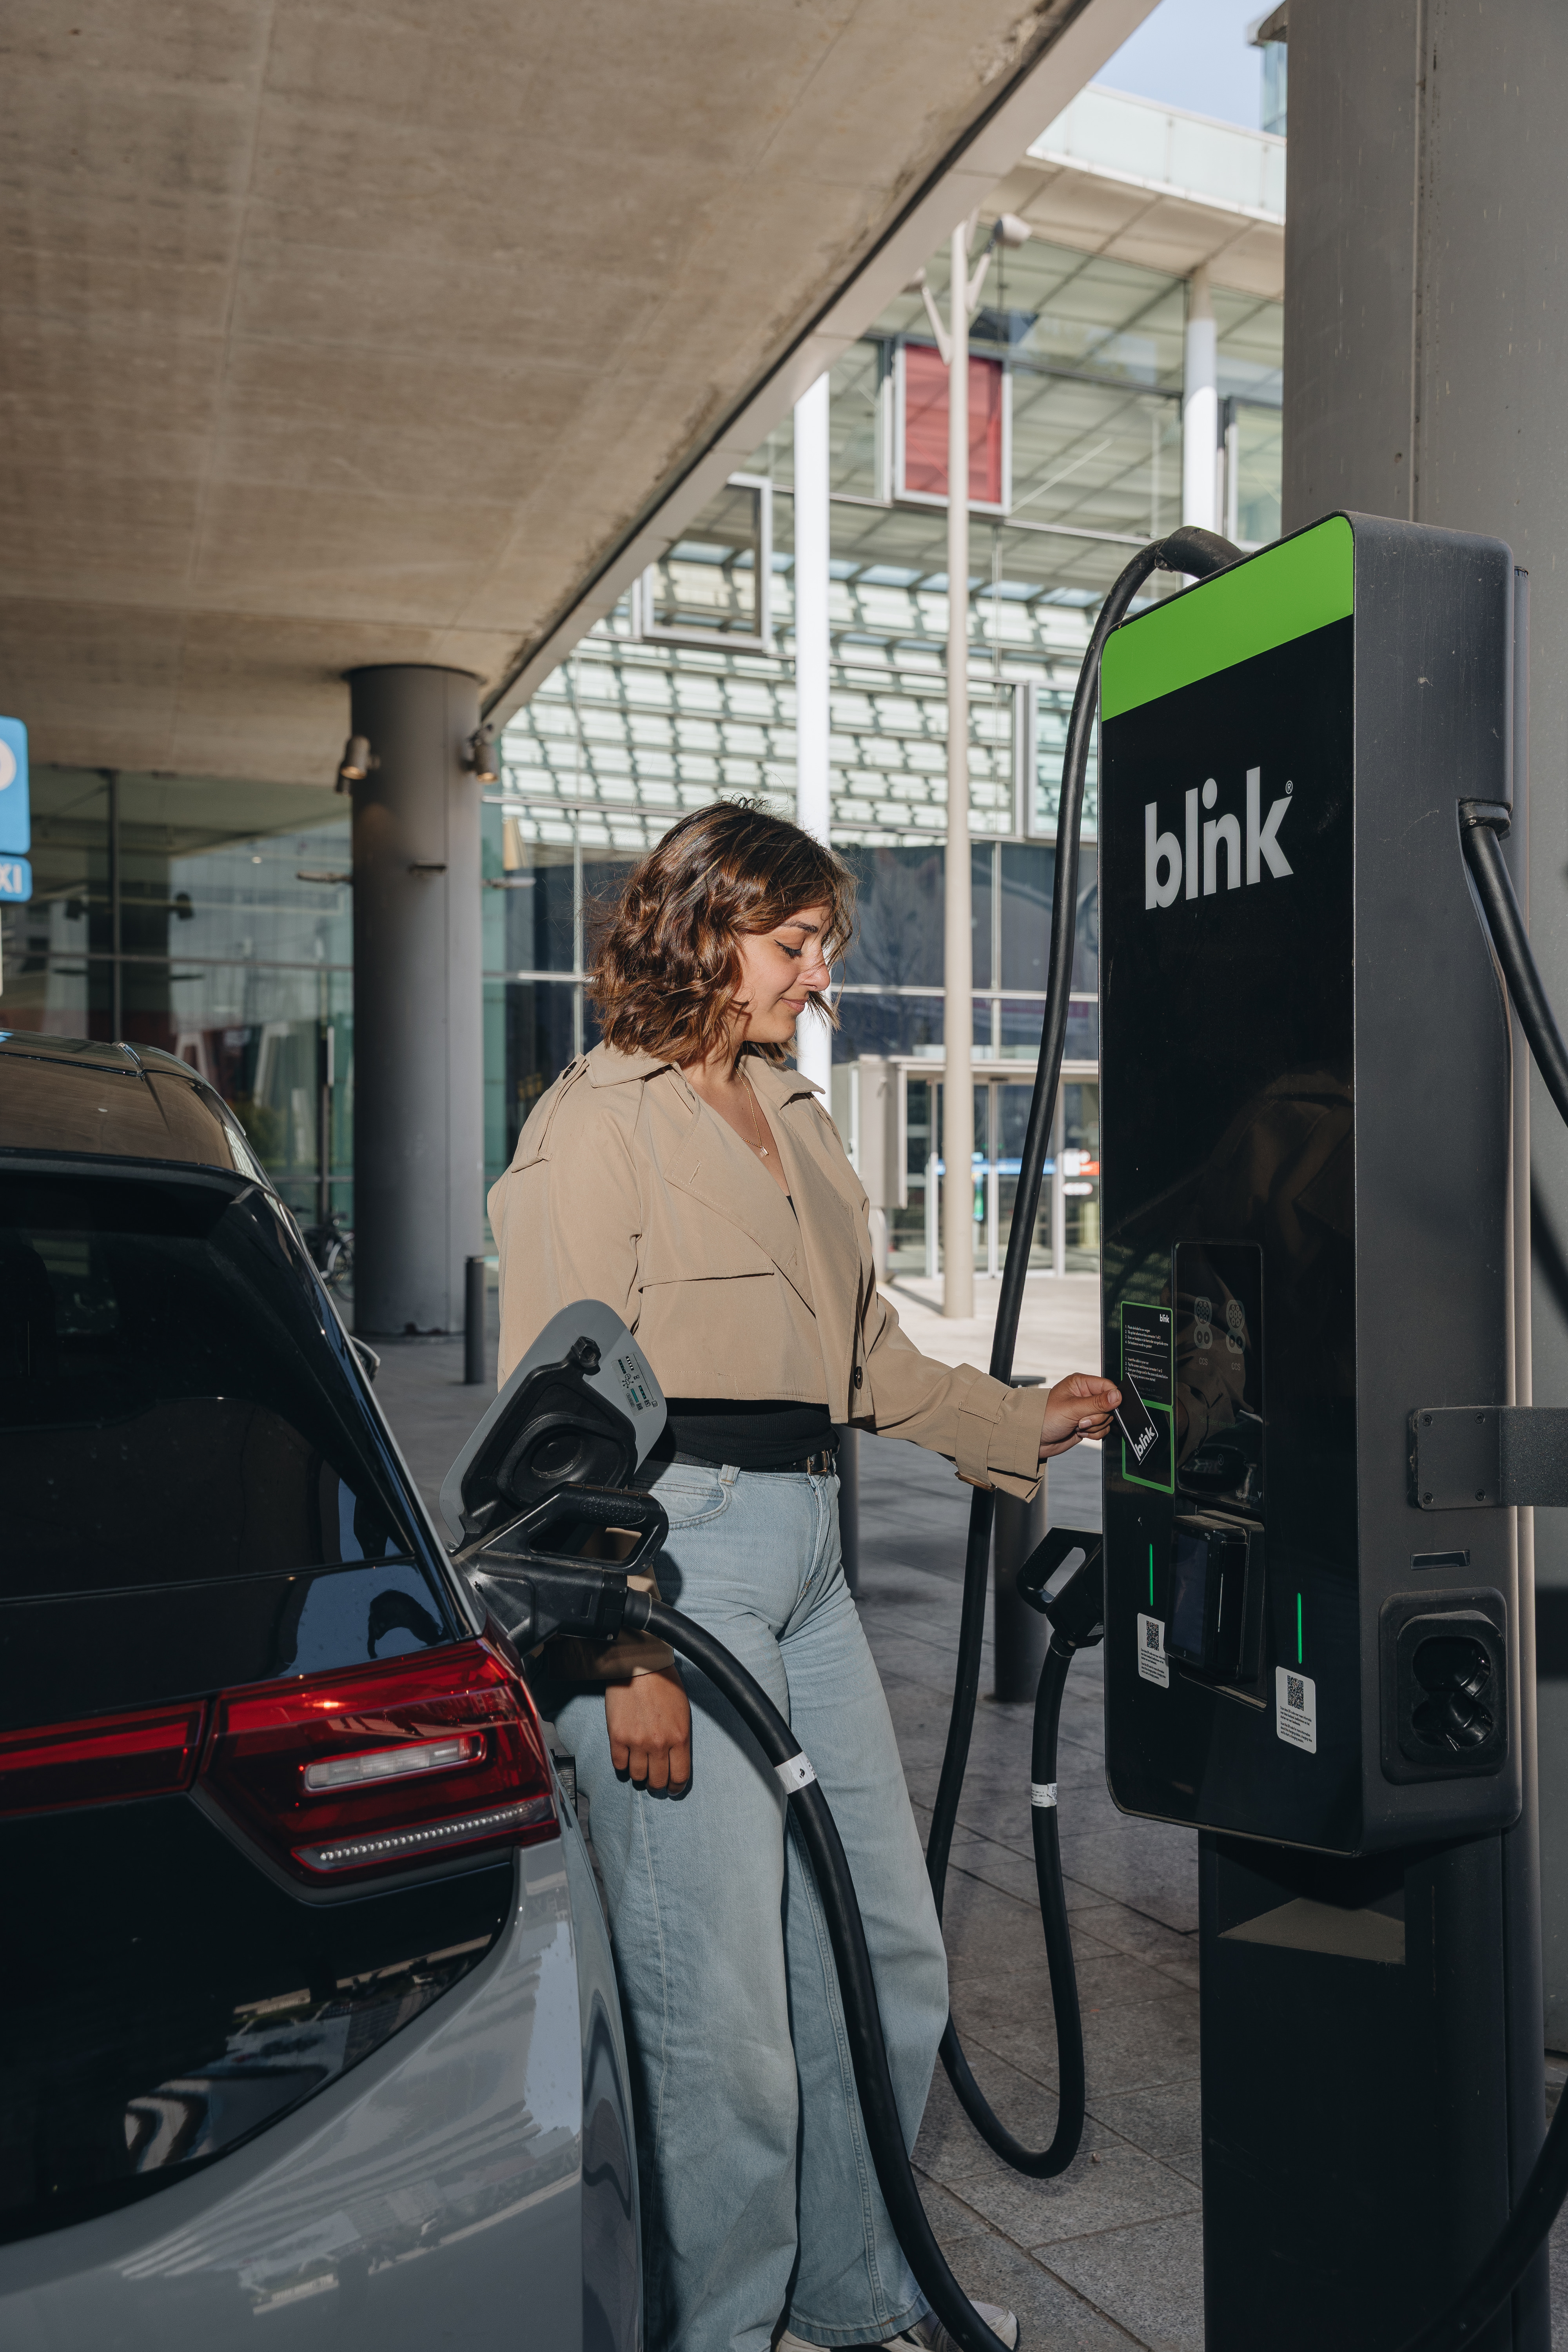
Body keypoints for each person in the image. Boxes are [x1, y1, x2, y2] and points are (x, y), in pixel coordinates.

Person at [488, 801, 1119, 2352]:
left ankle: (854, 2296)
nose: (813, 973)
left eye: (822, 944)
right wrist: (617, 1649)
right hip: (666, 1562)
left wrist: (1015, 1420)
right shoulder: (595, 1124)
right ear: (700, 930)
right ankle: (721, 2328)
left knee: (882, 1956)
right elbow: (550, 1420)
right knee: (721, 2024)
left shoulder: (798, 1115)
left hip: (811, 1554)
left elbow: (867, 1359)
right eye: (791, 942)